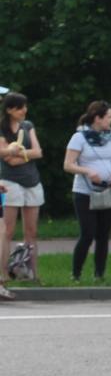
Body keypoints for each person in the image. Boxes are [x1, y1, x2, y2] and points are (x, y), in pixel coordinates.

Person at [62, 101, 111, 284]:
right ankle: (76, 274)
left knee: (103, 235)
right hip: (85, 192)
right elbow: (68, 165)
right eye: (109, 117)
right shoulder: (79, 137)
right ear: (98, 118)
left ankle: (99, 274)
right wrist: (87, 171)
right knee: (88, 233)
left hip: (107, 191)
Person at [1, 89, 46, 298]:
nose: (24, 110)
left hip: (32, 181)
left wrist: (22, 155)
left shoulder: (28, 126)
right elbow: (8, 160)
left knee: (32, 231)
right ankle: (3, 274)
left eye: (25, 107)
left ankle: (31, 273)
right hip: (10, 182)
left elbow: (38, 151)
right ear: (10, 110)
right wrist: (24, 155)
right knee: (7, 231)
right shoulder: (2, 128)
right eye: (20, 108)